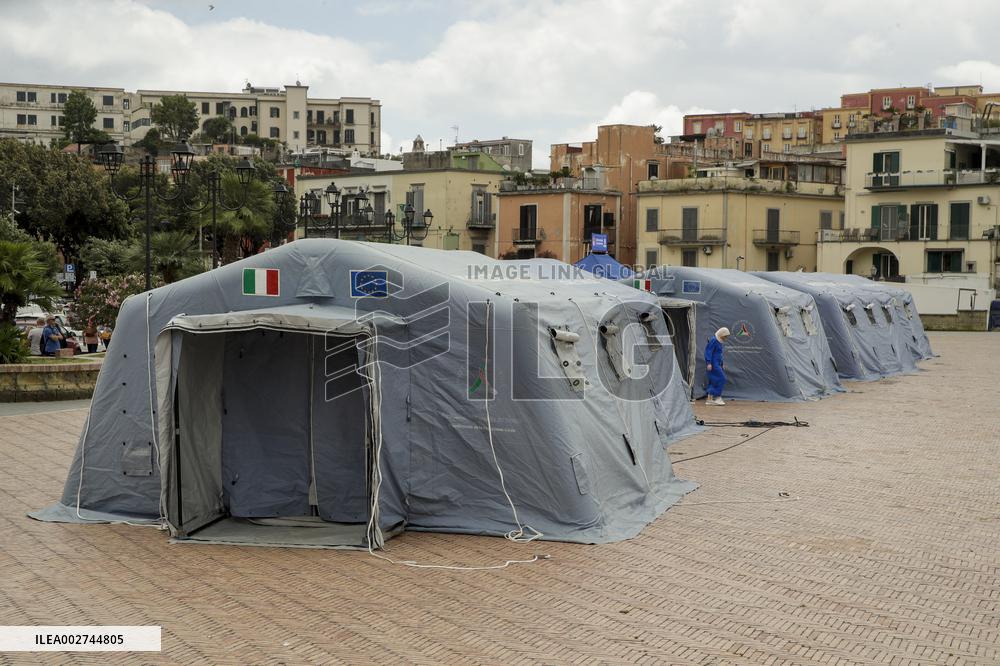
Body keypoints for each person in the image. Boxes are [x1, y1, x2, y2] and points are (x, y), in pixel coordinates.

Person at [704, 327, 730, 406]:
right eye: (725, 336)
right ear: (721, 334)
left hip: (717, 364)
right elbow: (708, 351)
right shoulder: (714, 340)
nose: (726, 338)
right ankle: (717, 397)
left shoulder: (719, 341)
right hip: (713, 364)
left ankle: (709, 399)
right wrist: (708, 363)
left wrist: (722, 364)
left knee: (714, 380)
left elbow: (719, 354)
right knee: (722, 378)